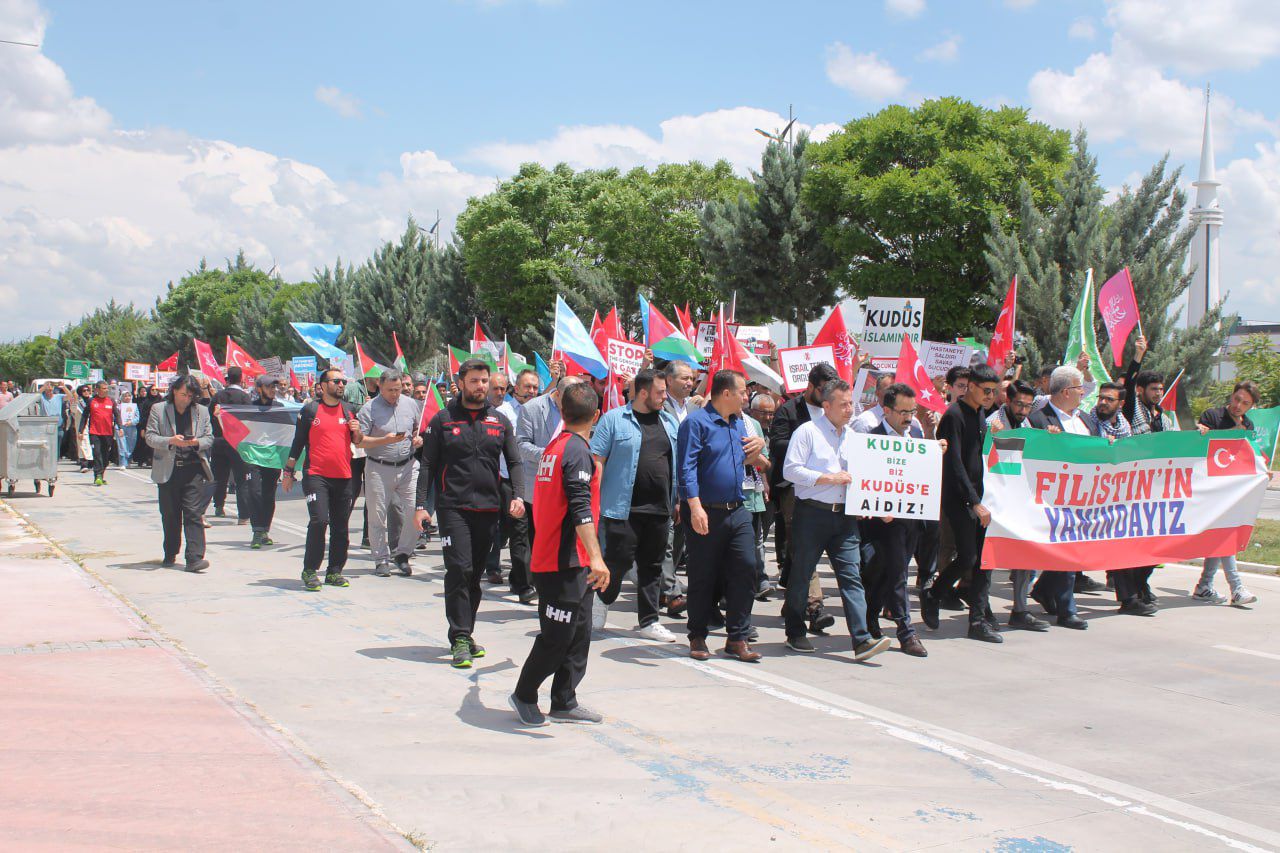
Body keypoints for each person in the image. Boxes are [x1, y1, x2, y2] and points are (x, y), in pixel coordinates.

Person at [414, 359, 526, 669]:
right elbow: (428, 464)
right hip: (453, 508)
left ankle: (466, 632)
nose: (481, 386)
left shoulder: (500, 421)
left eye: (484, 381)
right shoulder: (442, 420)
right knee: (459, 570)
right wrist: (421, 506)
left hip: (488, 509)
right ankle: (460, 637)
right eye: (475, 380)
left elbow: (515, 462)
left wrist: (518, 496)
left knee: (474, 575)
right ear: (461, 383)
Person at [510, 382, 609, 726]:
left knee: (580, 633)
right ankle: (524, 694)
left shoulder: (558, 446)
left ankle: (564, 700)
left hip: (574, 560)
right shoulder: (574, 451)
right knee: (558, 637)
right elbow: (580, 508)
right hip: (560, 560)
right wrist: (597, 557)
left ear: (562, 412)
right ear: (597, 415)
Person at [780, 378, 892, 662]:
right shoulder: (808, 432)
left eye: (850, 404)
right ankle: (795, 631)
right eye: (843, 405)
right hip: (812, 514)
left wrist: (875, 503)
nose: (849, 409)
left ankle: (862, 639)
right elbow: (790, 470)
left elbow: (865, 476)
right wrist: (828, 478)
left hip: (844, 517)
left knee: (851, 576)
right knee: (802, 574)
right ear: (826, 406)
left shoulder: (853, 437)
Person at [678, 369, 767, 662]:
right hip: (705, 510)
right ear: (726, 393)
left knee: (746, 568)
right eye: (742, 392)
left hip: (738, 509)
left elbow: (750, 459)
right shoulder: (695, 424)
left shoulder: (739, 423)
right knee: (703, 575)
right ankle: (697, 635)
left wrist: (760, 446)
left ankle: (737, 637)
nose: (746, 397)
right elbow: (687, 468)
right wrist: (694, 507)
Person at [590, 367, 680, 641]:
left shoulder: (670, 422)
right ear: (642, 393)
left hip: (660, 509)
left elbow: (676, 465)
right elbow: (597, 461)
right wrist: (593, 502)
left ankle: (649, 621)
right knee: (617, 563)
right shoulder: (614, 420)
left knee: (652, 567)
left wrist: (678, 501)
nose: (665, 397)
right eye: (660, 392)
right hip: (621, 509)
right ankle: (602, 599)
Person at [922, 364, 1003, 642]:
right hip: (959, 499)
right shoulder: (954, 415)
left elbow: (978, 456)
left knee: (984, 560)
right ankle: (934, 593)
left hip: (980, 497)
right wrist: (973, 501)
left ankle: (978, 620)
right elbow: (954, 463)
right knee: (968, 556)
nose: (990, 396)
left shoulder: (981, 413)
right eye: (986, 390)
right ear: (971, 386)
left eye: (994, 391)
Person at [1024, 365, 1099, 630]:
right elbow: (1027, 453)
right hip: (1053, 498)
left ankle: (1044, 589)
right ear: (1066, 391)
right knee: (1067, 550)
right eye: (1080, 388)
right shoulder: (1038, 421)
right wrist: (1045, 442)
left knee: (1075, 549)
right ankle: (1067, 610)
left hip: (1084, 495)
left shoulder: (1086, 420)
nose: (1083, 393)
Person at [859, 384, 930, 657]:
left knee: (886, 571)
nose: (909, 418)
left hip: (910, 518)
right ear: (886, 411)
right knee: (899, 573)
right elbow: (866, 481)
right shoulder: (872, 439)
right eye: (903, 412)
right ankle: (906, 631)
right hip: (884, 522)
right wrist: (878, 506)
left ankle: (869, 618)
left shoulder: (917, 437)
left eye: (912, 411)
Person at [769, 362, 841, 634]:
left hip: (830, 489)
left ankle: (793, 600)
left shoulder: (834, 410)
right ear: (810, 386)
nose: (827, 395)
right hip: (795, 486)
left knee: (798, 548)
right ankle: (814, 606)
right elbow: (777, 444)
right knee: (805, 544)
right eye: (823, 390)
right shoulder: (789, 410)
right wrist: (808, 447)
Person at [283, 368, 364, 592]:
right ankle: (310, 570)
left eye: (343, 381)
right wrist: (288, 472)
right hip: (316, 475)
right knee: (319, 521)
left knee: (341, 526)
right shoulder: (310, 410)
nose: (341, 384)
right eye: (336, 381)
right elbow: (298, 442)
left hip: (344, 477)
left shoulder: (349, 410)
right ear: (323, 385)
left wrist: (357, 430)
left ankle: (334, 571)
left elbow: (357, 441)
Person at [986, 380, 1050, 631]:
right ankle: (980, 608)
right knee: (986, 558)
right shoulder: (992, 423)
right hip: (994, 500)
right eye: (1018, 404)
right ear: (1007, 401)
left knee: (1025, 553)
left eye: (1027, 406)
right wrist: (993, 436)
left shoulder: (1028, 425)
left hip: (1020, 500)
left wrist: (1049, 439)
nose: (1023, 410)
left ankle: (1020, 609)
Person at [1192, 380, 1261, 606]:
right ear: (1231, 396)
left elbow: (1248, 455)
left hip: (1231, 488)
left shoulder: (1247, 424)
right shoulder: (1212, 416)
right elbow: (1201, 443)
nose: (1238, 405)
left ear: (1251, 406)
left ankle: (1204, 585)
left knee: (1221, 535)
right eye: (1237, 399)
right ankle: (1236, 587)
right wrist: (1205, 432)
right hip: (1210, 487)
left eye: (1245, 403)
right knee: (1224, 534)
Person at [357, 369, 424, 578]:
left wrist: (418, 438)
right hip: (378, 467)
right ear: (380, 386)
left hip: (408, 466)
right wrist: (384, 440)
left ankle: (402, 553)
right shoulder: (369, 409)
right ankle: (381, 559)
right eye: (390, 390)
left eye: (398, 389)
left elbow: (417, 429)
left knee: (416, 510)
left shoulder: (411, 404)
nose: (395, 394)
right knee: (377, 516)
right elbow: (360, 441)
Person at [144, 375, 214, 572]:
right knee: (170, 514)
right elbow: (150, 437)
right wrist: (170, 440)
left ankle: (194, 558)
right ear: (174, 391)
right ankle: (170, 552)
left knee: (193, 513)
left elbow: (209, 438)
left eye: (191, 396)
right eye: (183, 394)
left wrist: (197, 442)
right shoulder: (159, 409)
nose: (186, 399)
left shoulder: (201, 411)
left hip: (193, 469)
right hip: (169, 469)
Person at [485, 370, 537, 603]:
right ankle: (523, 584)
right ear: (516, 388)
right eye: (527, 386)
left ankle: (519, 578)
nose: (531, 391)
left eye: (535, 387)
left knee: (530, 532)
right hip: (509, 480)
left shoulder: (540, 411)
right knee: (517, 531)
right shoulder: (503, 413)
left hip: (535, 481)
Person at [659, 360, 699, 615]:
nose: (689, 383)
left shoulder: (696, 408)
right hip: (665, 482)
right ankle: (672, 592)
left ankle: (663, 587)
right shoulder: (659, 406)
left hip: (690, 484)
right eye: (684, 378)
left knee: (681, 539)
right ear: (669, 380)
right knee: (667, 538)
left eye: (691, 379)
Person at [242, 374, 286, 549]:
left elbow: (286, 432)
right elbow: (239, 427)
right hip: (253, 456)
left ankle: (264, 530)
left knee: (268, 494)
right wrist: (220, 416)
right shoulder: (250, 408)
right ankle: (257, 531)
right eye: (269, 387)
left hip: (272, 457)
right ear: (259, 389)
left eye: (274, 387)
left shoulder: (280, 408)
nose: (273, 390)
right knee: (254, 492)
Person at [210, 367, 253, 523]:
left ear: (227, 378)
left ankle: (218, 506)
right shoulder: (245, 397)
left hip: (219, 441)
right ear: (241, 379)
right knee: (242, 479)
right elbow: (249, 420)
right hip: (238, 443)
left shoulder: (218, 396)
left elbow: (211, 416)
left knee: (219, 477)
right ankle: (243, 515)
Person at [747, 393, 777, 601]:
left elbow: (764, 462)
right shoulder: (745, 426)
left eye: (771, 413)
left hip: (760, 493)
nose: (768, 417)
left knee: (758, 538)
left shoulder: (759, 428)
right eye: (764, 413)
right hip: (742, 493)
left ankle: (761, 580)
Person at [80, 380, 121, 486]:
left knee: (105, 456)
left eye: (107, 388)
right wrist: (81, 431)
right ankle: (97, 475)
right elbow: (84, 416)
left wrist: (120, 427)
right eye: (104, 388)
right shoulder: (91, 401)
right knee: (97, 453)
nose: (106, 390)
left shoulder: (111, 401)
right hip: (94, 432)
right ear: (97, 390)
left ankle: (101, 476)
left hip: (108, 433)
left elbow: (117, 415)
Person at [117, 390, 139, 468]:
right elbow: (116, 416)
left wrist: (131, 422)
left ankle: (128, 460)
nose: (127, 397)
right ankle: (123, 463)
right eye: (125, 396)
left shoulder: (134, 406)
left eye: (129, 396)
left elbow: (137, 417)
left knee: (130, 444)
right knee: (122, 445)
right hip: (121, 427)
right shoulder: (118, 406)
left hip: (131, 428)